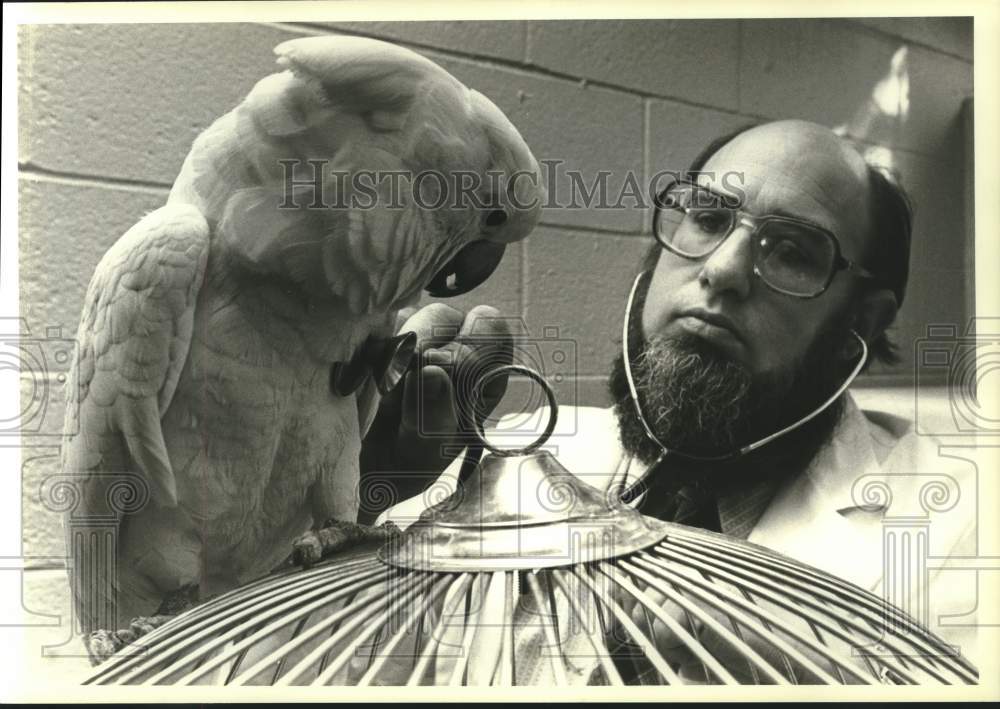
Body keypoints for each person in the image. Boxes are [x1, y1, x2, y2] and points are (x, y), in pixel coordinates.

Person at [357, 119, 979, 678]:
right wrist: (353, 499)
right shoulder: (510, 452)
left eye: (792, 252)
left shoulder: (961, 522)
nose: (723, 270)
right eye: (707, 219)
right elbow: (345, 661)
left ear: (860, 324)